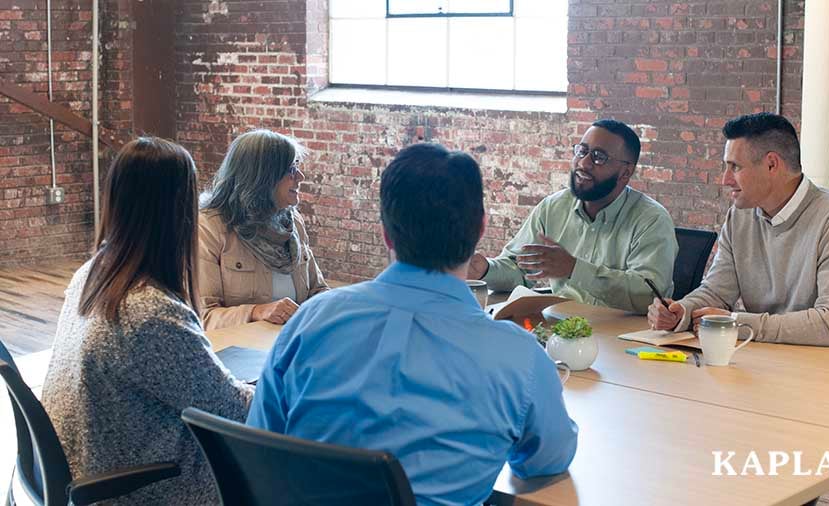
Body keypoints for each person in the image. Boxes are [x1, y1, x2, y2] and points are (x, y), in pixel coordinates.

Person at [247, 143, 578, 505]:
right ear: (480, 229)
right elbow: (546, 461)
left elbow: (261, 445)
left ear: (386, 232)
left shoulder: (310, 321)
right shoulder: (519, 357)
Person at [42, 138, 255, 505]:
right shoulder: (149, 312)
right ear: (178, 212)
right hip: (139, 489)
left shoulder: (91, 274)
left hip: (93, 468)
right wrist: (283, 384)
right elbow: (232, 411)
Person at [647, 112, 829, 351]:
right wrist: (682, 311)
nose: (725, 180)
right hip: (771, 359)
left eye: (734, 167)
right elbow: (716, 291)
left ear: (771, 164)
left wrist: (736, 323)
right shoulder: (740, 216)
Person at [468, 119, 677, 314]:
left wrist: (574, 269)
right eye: (582, 151)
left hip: (622, 338)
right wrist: (485, 269)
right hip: (560, 328)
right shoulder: (554, 207)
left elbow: (650, 296)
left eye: (598, 157)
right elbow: (520, 269)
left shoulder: (651, 219)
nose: (584, 163)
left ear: (625, 173)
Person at [198, 129, 328, 330]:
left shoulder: (292, 222)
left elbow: (317, 291)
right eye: (291, 170)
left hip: (287, 345)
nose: (300, 176)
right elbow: (202, 317)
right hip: (235, 354)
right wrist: (256, 311)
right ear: (263, 177)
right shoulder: (209, 227)